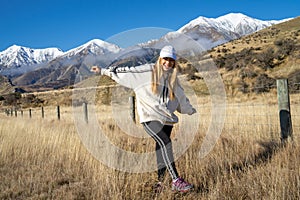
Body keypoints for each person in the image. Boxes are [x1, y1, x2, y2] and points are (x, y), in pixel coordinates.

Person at [91, 45, 196, 193]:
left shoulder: (173, 77)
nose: (168, 63)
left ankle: (161, 183)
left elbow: (181, 97)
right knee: (165, 143)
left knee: (161, 149)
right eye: (165, 59)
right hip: (149, 117)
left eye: (171, 60)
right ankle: (176, 180)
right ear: (160, 59)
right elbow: (127, 72)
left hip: (167, 119)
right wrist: (103, 71)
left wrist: (189, 110)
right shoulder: (147, 71)